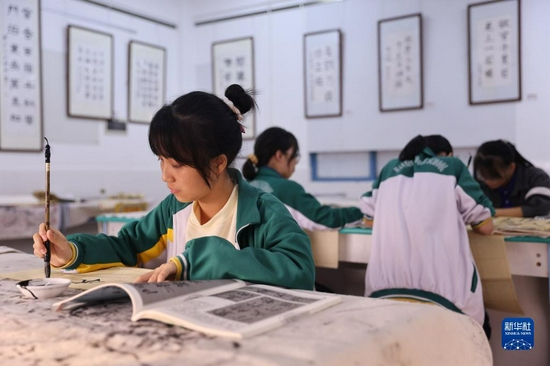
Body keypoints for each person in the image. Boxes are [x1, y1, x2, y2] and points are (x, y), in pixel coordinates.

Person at [32, 85, 315, 290]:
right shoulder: (175, 208)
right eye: (161, 160)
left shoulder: (264, 213)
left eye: (177, 165)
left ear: (218, 164)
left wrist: (191, 262)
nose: (165, 176)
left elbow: (300, 271)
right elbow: (127, 246)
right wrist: (70, 251)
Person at [360, 135, 495, 336]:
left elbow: (369, 220)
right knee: (480, 334)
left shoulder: (389, 169)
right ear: (448, 154)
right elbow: (485, 226)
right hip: (446, 296)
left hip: (382, 292)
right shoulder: (453, 167)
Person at [242, 127, 364, 231]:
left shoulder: (245, 187)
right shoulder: (286, 189)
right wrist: (365, 210)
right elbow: (325, 220)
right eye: (295, 155)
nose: (295, 162)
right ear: (279, 156)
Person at [473, 139, 550, 217]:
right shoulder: (478, 183)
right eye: (483, 176)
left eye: (494, 177)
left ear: (511, 167)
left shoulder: (535, 178)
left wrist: (490, 212)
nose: (488, 182)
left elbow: (540, 209)